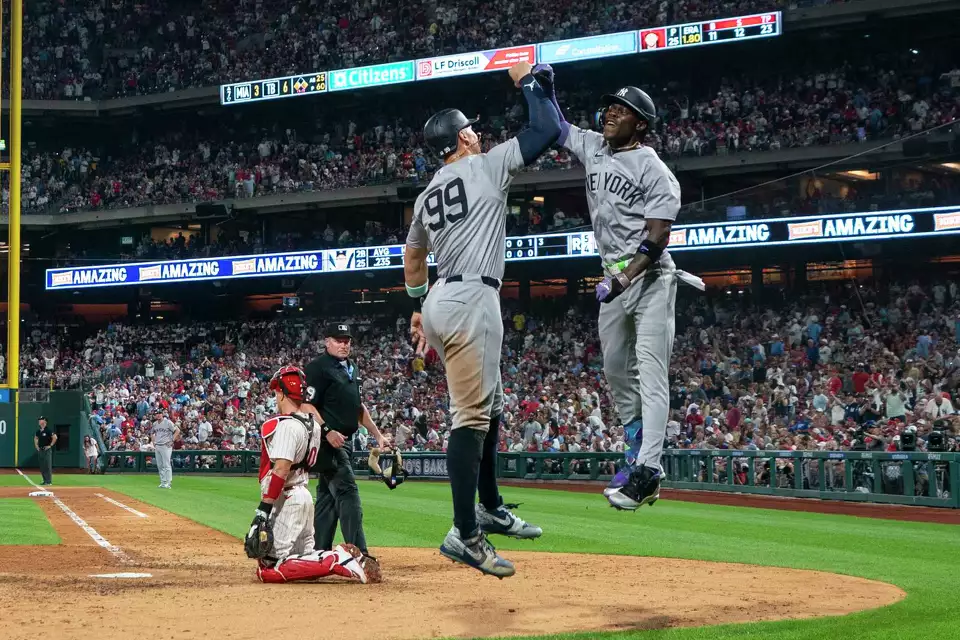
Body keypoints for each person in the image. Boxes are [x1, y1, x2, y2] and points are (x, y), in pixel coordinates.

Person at [403, 61, 556, 578]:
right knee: (470, 418)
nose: (477, 131)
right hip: (472, 296)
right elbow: (545, 131)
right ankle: (464, 533)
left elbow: (413, 257)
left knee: (486, 409)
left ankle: (487, 506)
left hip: (442, 297)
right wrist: (530, 84)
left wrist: (419, 306)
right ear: (459, 138)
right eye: (469, 127)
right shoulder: (487, 164)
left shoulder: (427, 195)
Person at [535, 64, 704, 510]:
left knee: (650, 372)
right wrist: (548, 90)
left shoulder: (654, 169)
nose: (610, 112)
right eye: (609, 105)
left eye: (621, 109)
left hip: (649, 278)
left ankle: (648, 469)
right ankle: (634, 442)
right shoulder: (594, 147)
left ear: (641, 124)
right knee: (613, 367)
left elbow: (657, 236)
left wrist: (624, 278)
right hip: (614, 277)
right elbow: (555, 126)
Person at [244, 366, 374, 584]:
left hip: (288, 500)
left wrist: (263, 509)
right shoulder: (312, 425)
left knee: (269, 567)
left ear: (282, 393)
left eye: (277, 392)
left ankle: (337, 558)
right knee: (303, 557)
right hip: (303, 495)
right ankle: (339, 558)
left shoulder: (286, 426)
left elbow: (281, 470)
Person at [301, 323, 389, 570]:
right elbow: (306, 405)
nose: (344, 344)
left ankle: (318, 553)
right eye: (338, 340)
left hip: (345, 441)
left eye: (347, 340)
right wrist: (327, 431)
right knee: (348, 492)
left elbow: (358, 408)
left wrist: (378, 435)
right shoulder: (317, 368)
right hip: (326, 442)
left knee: (328, 499)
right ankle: (359, 555)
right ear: (327, 342)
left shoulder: (352, 368)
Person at [151, 410, 180, 489]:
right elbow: (152, 433)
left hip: (166, 445)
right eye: (157, 414)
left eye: (160, 413)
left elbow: (177, 431)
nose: (158, 415)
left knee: (166, 464)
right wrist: (153, 442)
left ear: (162, 414)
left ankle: (168, 482)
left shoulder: (168, 422)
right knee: (160, 465)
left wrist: (172, 440)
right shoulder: (155, 424)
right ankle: (163, 482)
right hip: (158, 445)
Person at [34, 416, 56, 486]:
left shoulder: (48, 430)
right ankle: (44, 480)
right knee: (42, 465)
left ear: (45, 421)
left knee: (47, 465)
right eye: (39, 420)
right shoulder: (38, 431)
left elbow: (55, 437)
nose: (39, 421)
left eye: (41, 420)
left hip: (47, 450)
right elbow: (35, 438)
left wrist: (50, 445)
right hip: (40, 449)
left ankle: (49, 481)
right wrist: (36, 446)